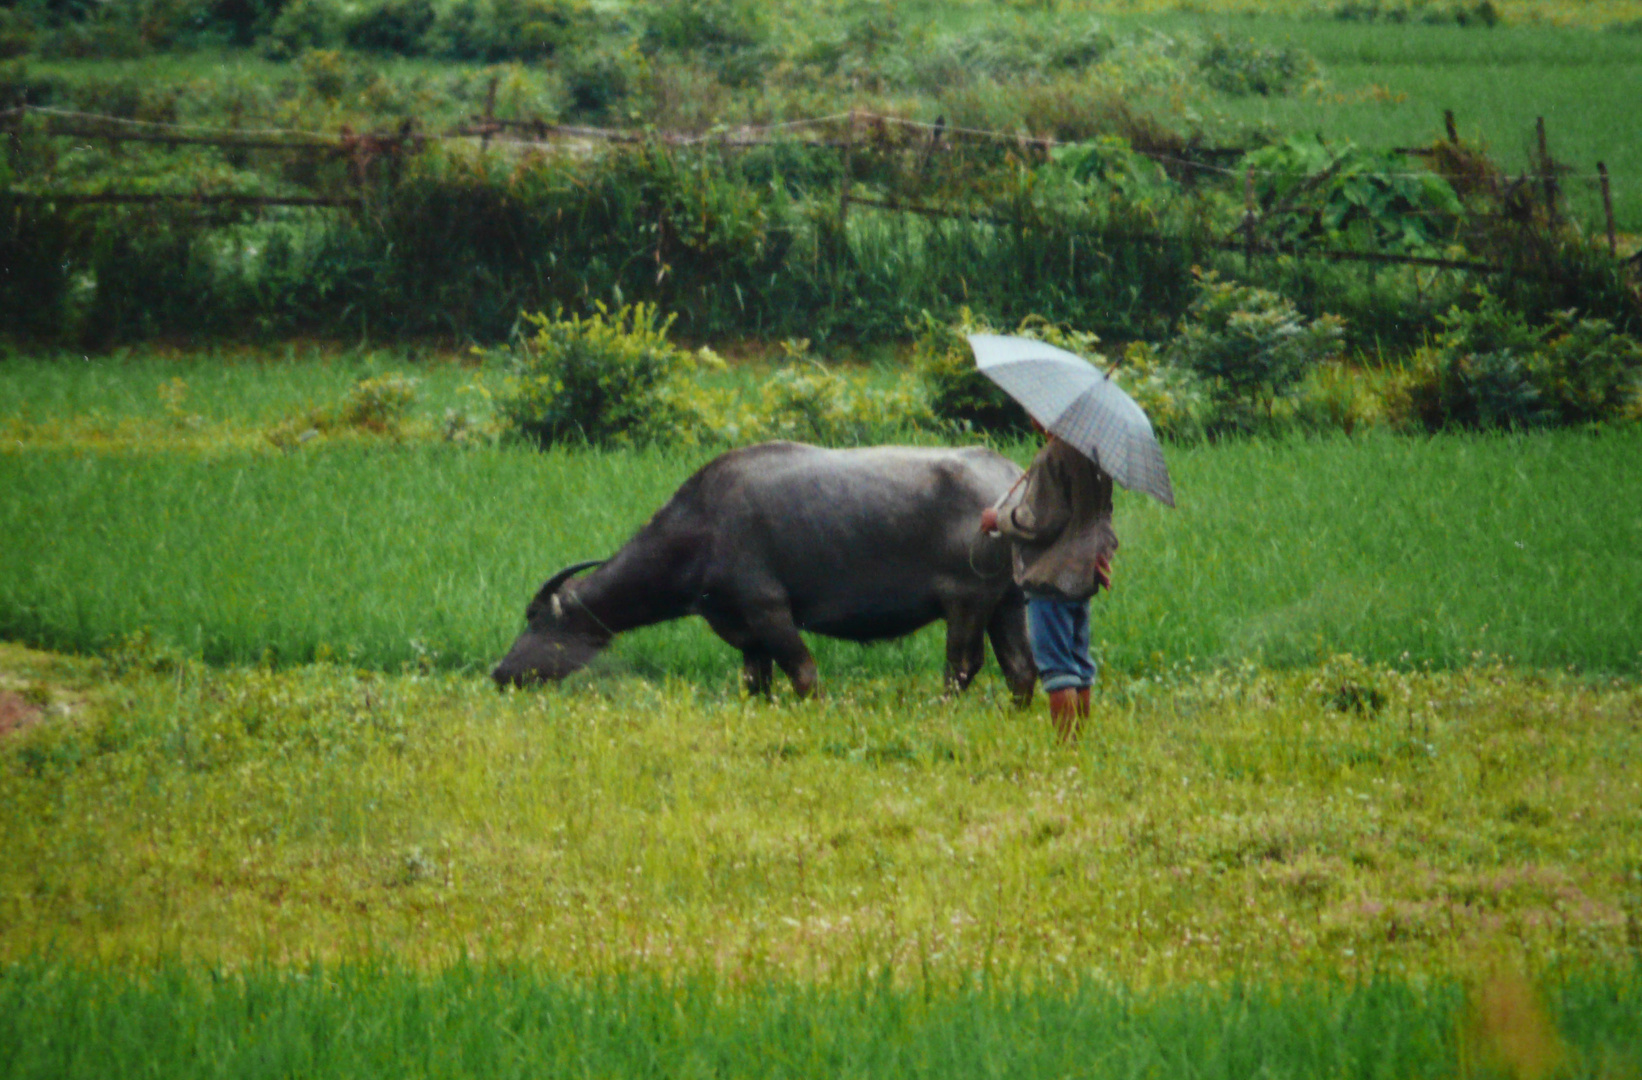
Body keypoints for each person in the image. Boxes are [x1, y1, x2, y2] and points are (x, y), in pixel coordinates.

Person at [980, 419, 1117, 742]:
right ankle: (1079, 740)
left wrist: (997, 519)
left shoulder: (1051, 458)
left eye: (1033, 413)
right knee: (1078, 663)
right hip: (1080, 577)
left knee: (1057, 669)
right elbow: (1103, 515)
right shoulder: (1096, 456)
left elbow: (1038, 522)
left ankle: (1066, 745)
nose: (1031, 419)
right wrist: (1100, 553)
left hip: (1050, 578)